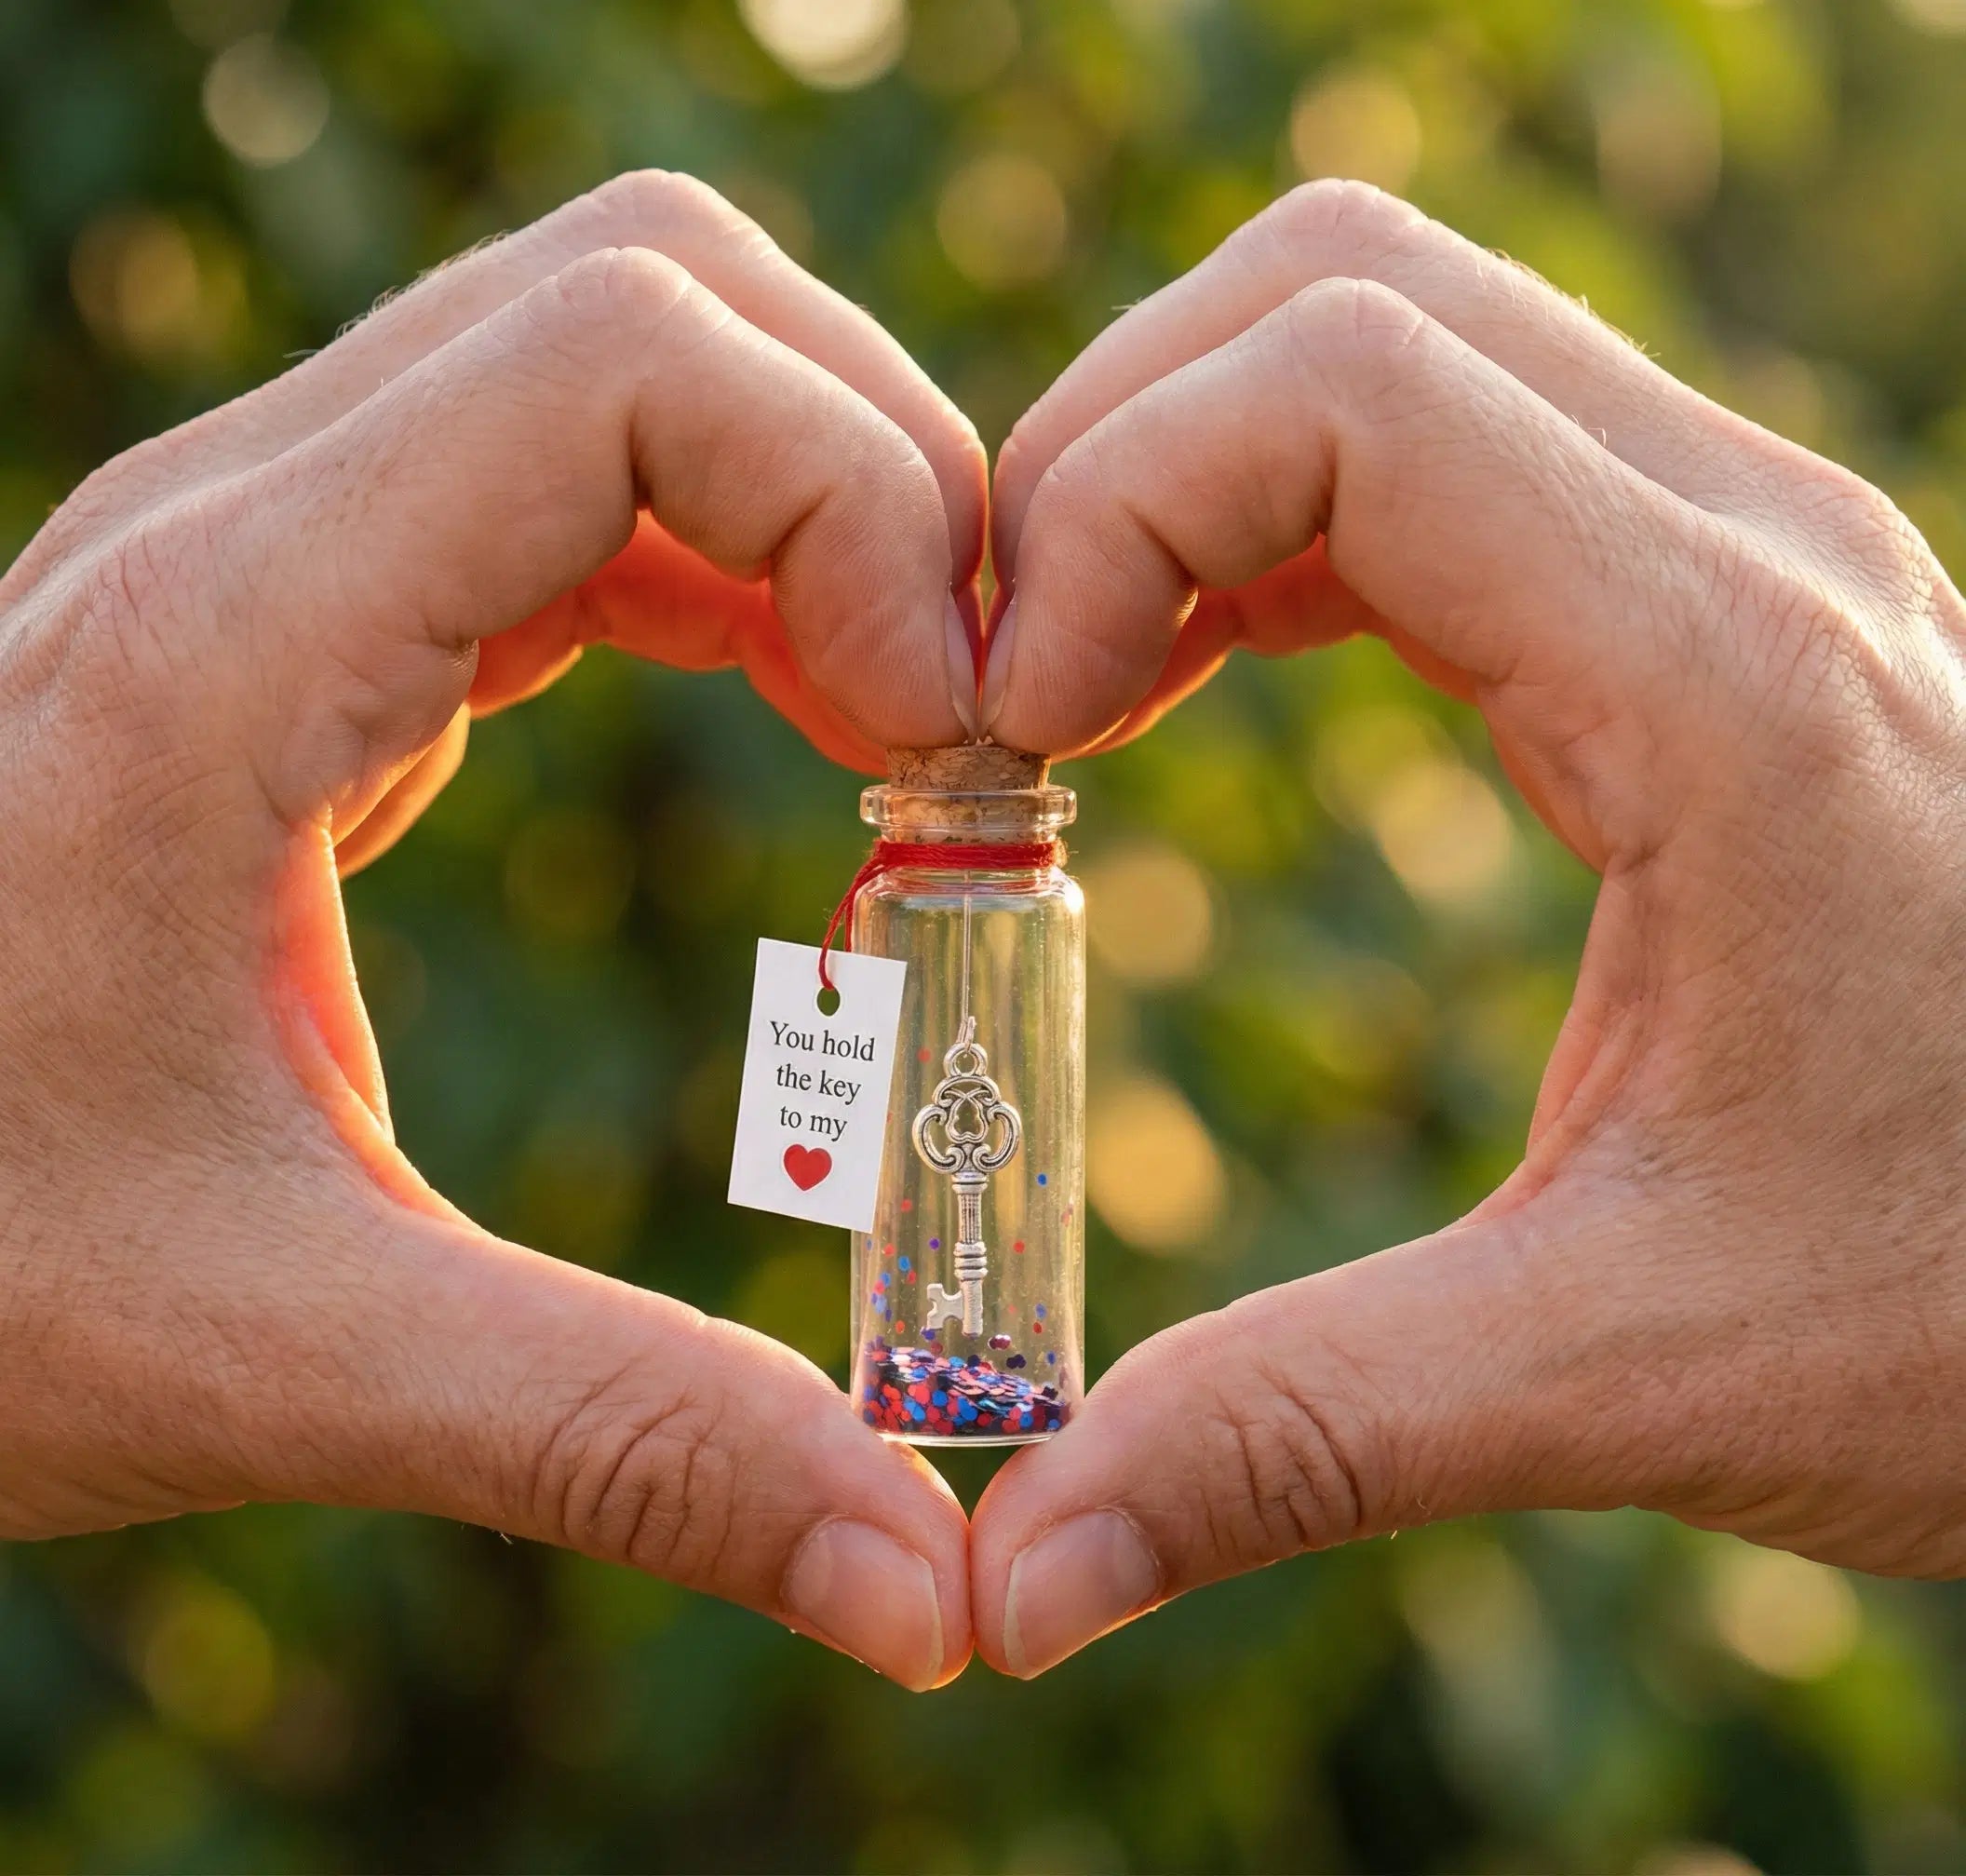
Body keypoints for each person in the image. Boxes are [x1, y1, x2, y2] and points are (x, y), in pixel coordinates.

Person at [4, 175, 1962, 1697]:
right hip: (941, 1293)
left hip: (987, 1333)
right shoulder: (915, 899)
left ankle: (968, 1360)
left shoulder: (1013, 903)